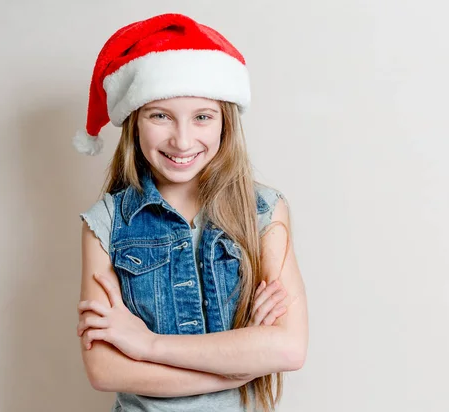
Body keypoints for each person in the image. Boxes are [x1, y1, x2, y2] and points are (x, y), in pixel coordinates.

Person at [73, 13, 308, 412]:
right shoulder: (107, 223)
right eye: (160, 115)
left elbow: (287, 348)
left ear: (224, 123)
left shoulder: (265, 211)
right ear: (134, 122)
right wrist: (241, 364)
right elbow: (104, 370)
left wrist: (148, 344)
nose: (182, 140)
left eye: (202, 116)